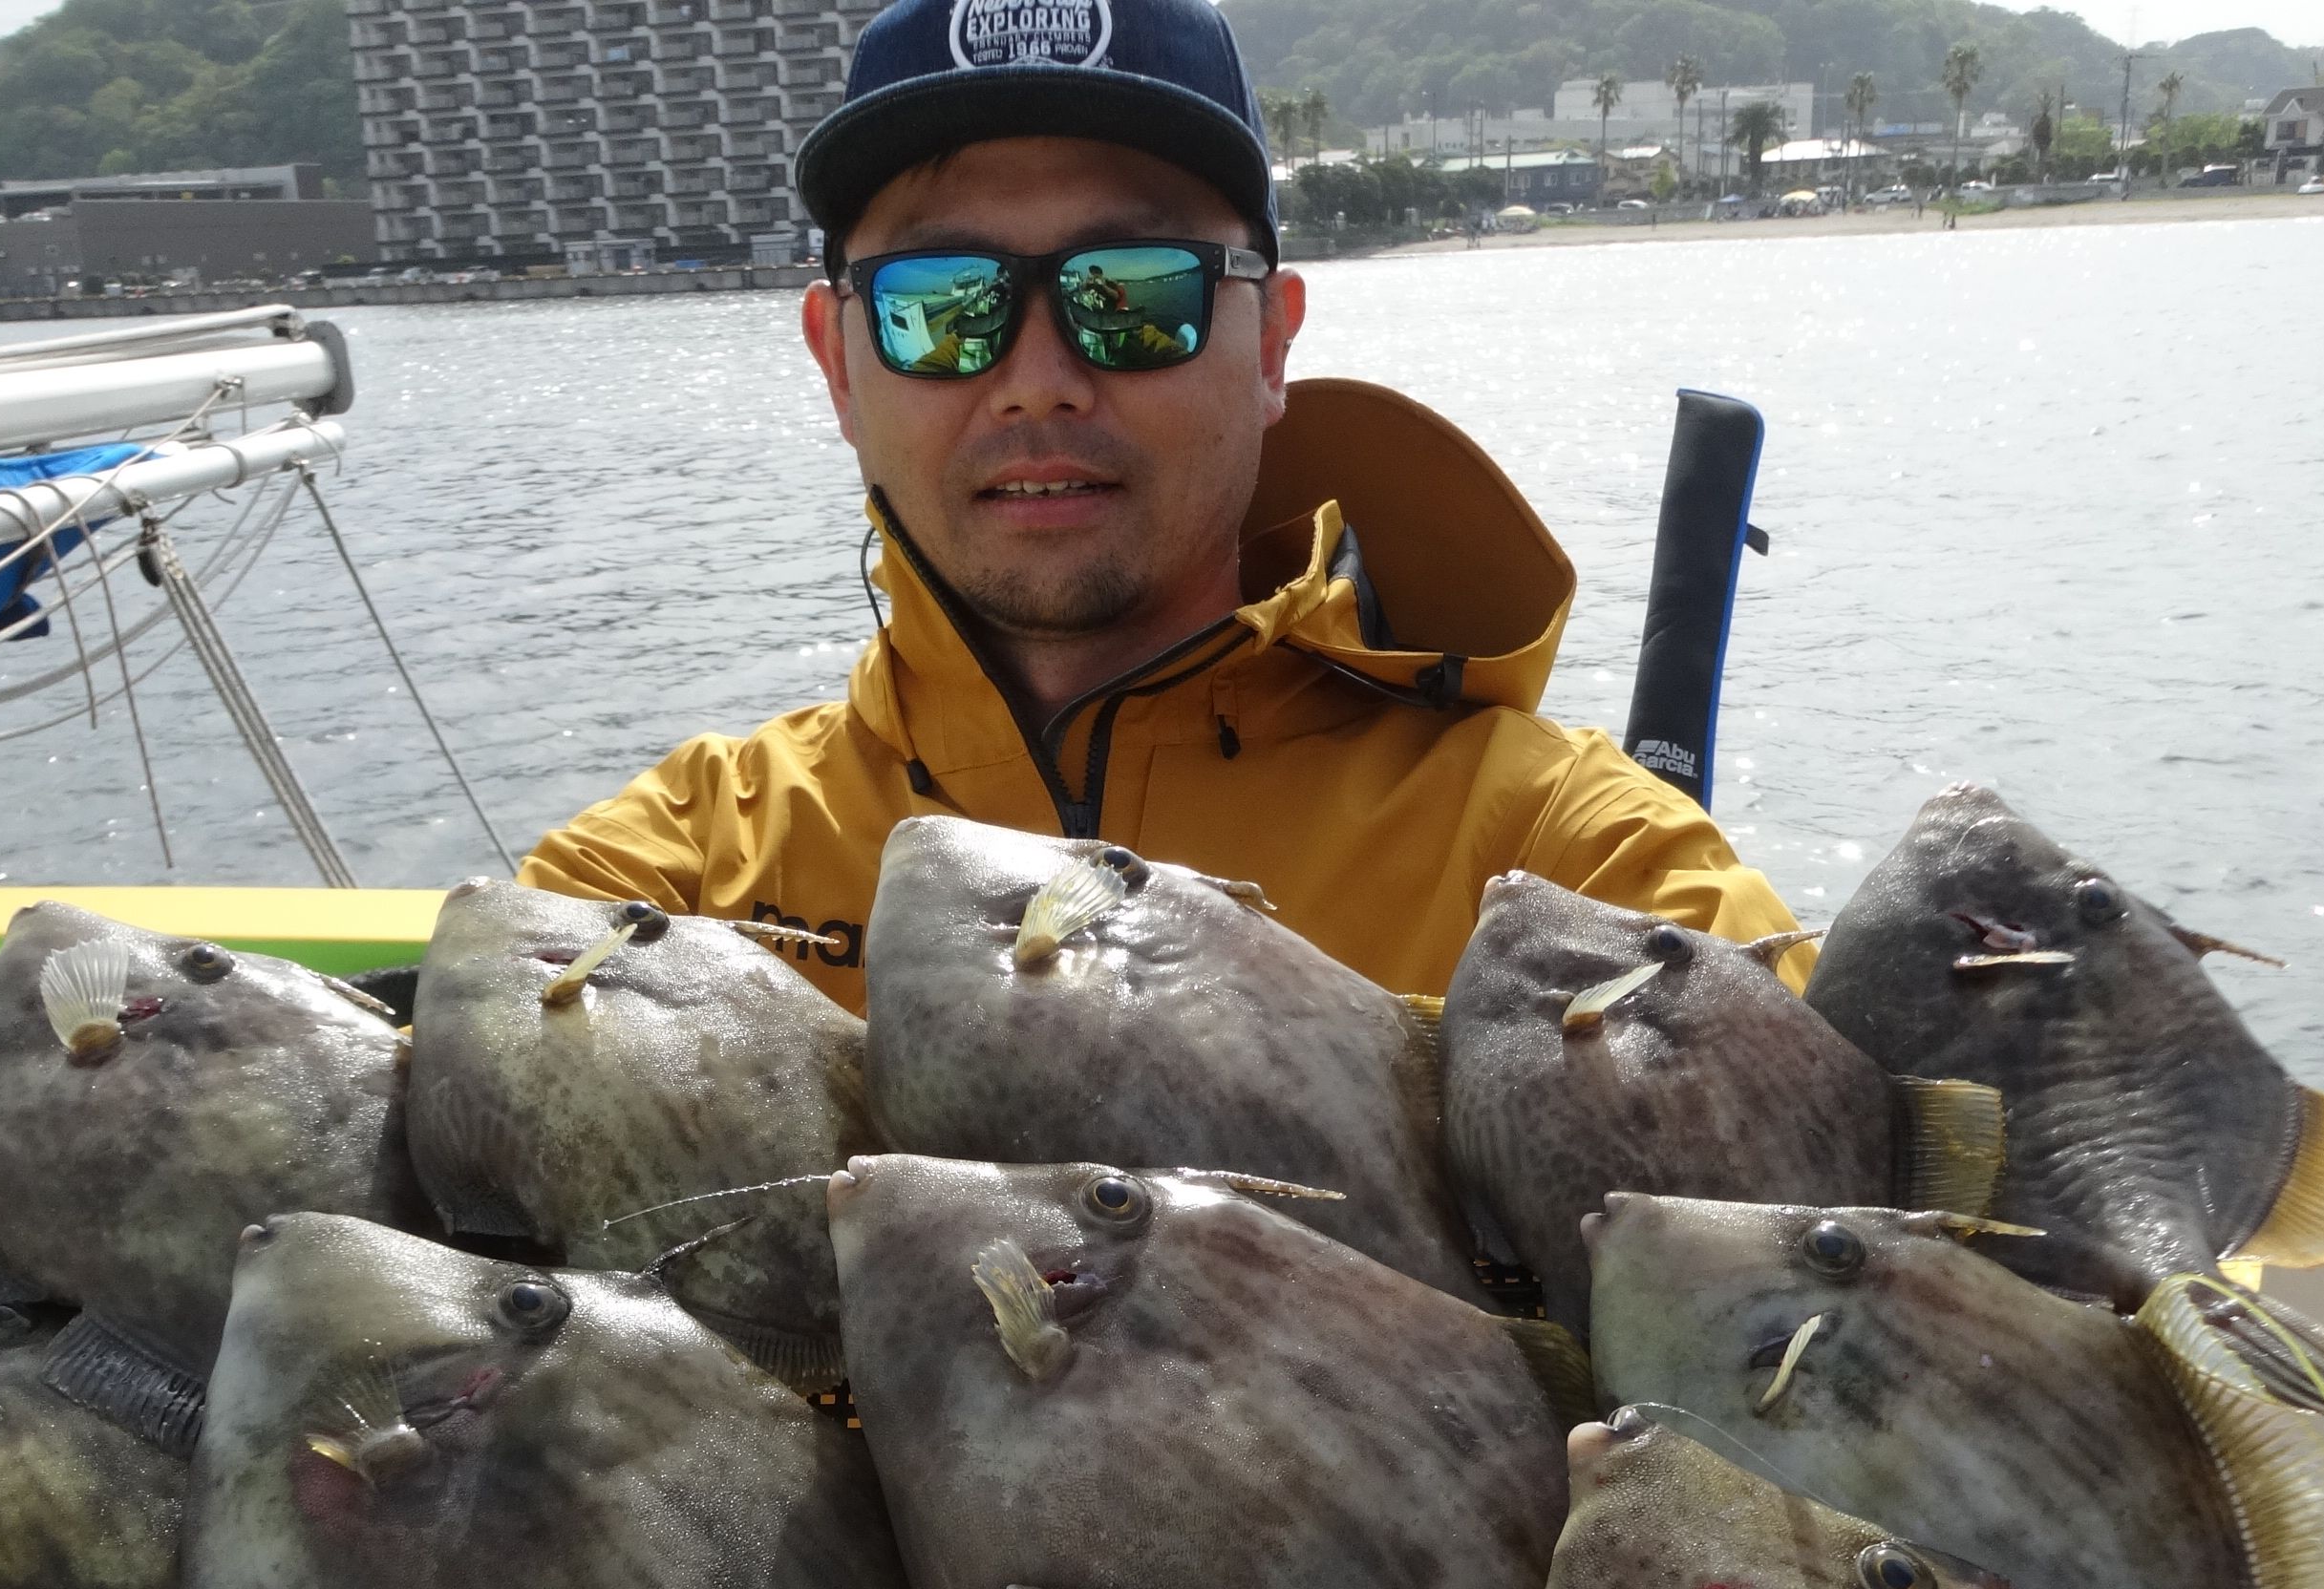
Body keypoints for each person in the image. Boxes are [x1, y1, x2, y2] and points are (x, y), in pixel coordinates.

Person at [521, 0, 1797, 1007]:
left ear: (1271, 343)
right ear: (838, 363)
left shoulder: (1562, 860)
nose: (1037, 380)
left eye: (1133, 293)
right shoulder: (677, 877)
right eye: (939, 303)